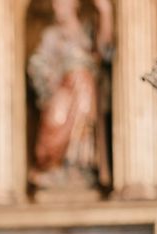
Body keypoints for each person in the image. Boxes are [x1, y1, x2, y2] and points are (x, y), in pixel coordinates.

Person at [27, 0, 112, 190]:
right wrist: (49, 82)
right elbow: (38, 63)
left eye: (60, 3)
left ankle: (79, 168)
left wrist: (105, 12)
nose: (57, 7)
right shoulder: (52, 35)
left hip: (86, 89)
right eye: (55, 4)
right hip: (62, 88)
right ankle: (52, 167)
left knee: (83, 130)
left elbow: (105, 51)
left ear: (74, 4)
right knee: (55, 121)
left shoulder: (88, 28)